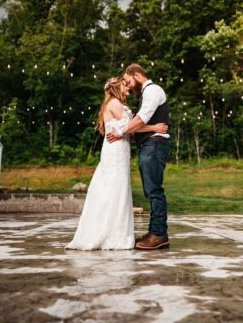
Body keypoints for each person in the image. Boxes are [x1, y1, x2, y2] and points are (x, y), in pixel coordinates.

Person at [66, 77, 167, 250]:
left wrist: (128, 131)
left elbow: (127, 129)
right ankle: (112, 234)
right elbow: (131, 127)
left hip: (119, 149)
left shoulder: (115, 104)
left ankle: (114, 231)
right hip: (115, 151)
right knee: (114, 189)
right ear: (115, 87)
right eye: (124, 84)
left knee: (116, 188)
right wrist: (154, 128)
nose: (128, 87)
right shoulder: (115, 104)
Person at [107, 64, 171, 250]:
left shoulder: (153, 91)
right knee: (150, 190)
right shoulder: (145, 93)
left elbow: (141, 119)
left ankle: (159, 234)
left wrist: (120, 132)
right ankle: (155, 231)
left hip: (155, 144)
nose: (128, 85)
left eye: (128, 81)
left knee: (154, 191)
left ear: (137, 75)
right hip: (149, 144)